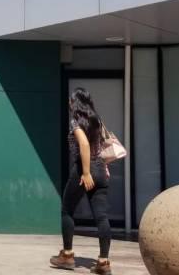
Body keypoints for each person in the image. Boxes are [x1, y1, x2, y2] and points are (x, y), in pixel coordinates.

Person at [50, 88, 112, 275]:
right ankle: (103, 262)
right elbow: (105, 143)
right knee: (101, 217)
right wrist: (102, 167)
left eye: (71, 100)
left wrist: (85, 173)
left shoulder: (75, 120)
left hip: (84, 169)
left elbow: (84, 144)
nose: (69, 103)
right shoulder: (97, 120)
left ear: (75, 103)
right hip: (100, 168)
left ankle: (67, 255)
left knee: (67, 209)